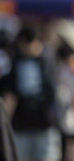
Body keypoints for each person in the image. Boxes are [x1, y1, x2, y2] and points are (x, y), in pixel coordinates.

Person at [0, 25, 61, 161]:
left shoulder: (16, 62)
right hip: (40, 124)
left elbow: (10, 97)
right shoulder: (48, 60)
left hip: (30, 125)